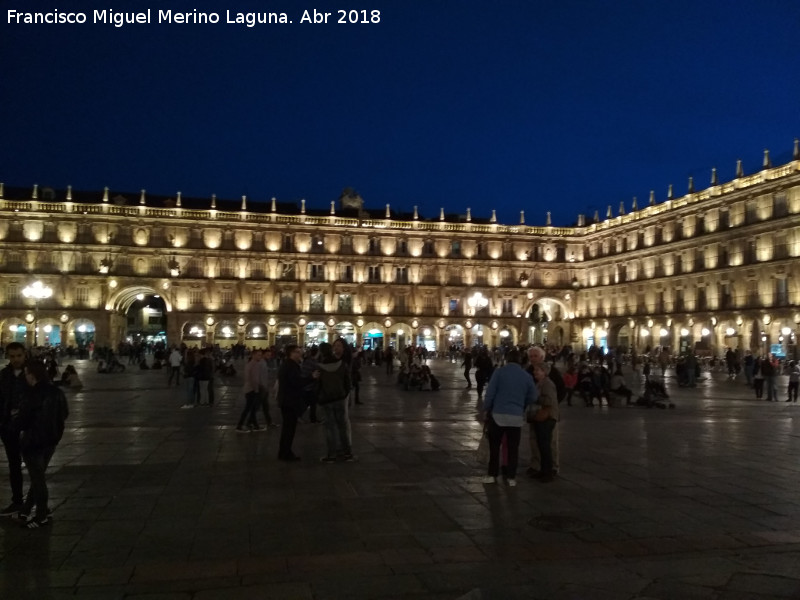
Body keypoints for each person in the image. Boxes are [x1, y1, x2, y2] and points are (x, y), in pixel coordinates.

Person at [17, 360, 68, 528]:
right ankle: (26, 510)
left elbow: (23, 420)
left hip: (33, 442)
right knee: (37, 477)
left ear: (32, 375)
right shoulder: (57, 392)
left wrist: (12, 424)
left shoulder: (32, 394)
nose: (25, 377)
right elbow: (64, 413)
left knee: (38, 480)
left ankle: (41, 515)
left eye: (26, 373)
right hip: (51, 440)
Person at [481, 349, 537, 486]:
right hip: (516, 417)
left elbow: (490, 393)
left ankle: (492, 474)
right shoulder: (526, 376)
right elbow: (533, 396)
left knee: (494, 447)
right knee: (513, 448)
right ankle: (511, 477)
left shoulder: (499, 372)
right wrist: (522, 404)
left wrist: (486, 408)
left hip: (498, 414)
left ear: (506, 359)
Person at [0, 342, 29, 517]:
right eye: (12, 356)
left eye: (19, 355)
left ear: (24, 354)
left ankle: (38, 503)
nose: (16, 359)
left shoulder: (32, 372)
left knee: (35, 466)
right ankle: (17, 501)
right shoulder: (4, 374)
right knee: (14, 464)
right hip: (8, 426)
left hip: (28, 426)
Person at [526, 346, 563, 474]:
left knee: (550, 441)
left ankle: (552, 466)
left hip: (548, 413)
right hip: (534, 413)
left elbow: (561, 390)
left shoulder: (552, 372)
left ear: (542, 357)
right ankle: (536, 464)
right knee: (534, 440)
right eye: (530, 356)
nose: (532, 359)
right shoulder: (529, 371)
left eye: (535, 356)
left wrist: (551, 406)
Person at [317, 342, 353, 462]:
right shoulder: (342, 364)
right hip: (340, 399)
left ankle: (332, 454)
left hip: (326, 400)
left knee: (329, 427)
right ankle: (347, 453)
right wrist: (344, 395)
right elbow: (348, 383)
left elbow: (318, 385)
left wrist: (319, 397)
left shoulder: (320, 367)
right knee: (342, 426)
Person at [530, 362, 559, 482]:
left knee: (545, 445)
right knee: (541, 445)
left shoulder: (547, 384)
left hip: (547, 417)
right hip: (541, 417)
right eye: (535, 370)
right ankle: (543, 470)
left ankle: (548, 471)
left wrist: (534, 398)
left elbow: (549, 400)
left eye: (538, 370)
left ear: (544, 372)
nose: (535, 372)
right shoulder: (540, 383)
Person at [277, 345, 306, 461]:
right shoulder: (291, 366)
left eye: (300, 352)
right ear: (291, 354)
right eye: (297, 352)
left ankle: (283, 452)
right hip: (290, 401)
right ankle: (286, 453)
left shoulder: (287, 364)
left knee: (287, 428)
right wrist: (311, 378)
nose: (300, 354)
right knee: (289, 429)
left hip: (286, 400)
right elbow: (296, 382)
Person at [236, 349, 265, 432]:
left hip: (249, 388)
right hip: (252, 389)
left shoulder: (249, 364)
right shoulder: (255, 365)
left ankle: (255, 425)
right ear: (253, 355)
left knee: (252, 409)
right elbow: (254, 379)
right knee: (248, 408)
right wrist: (256, 390)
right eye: (258, 355)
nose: (260, 357)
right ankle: (239, 426)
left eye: (260, 355)